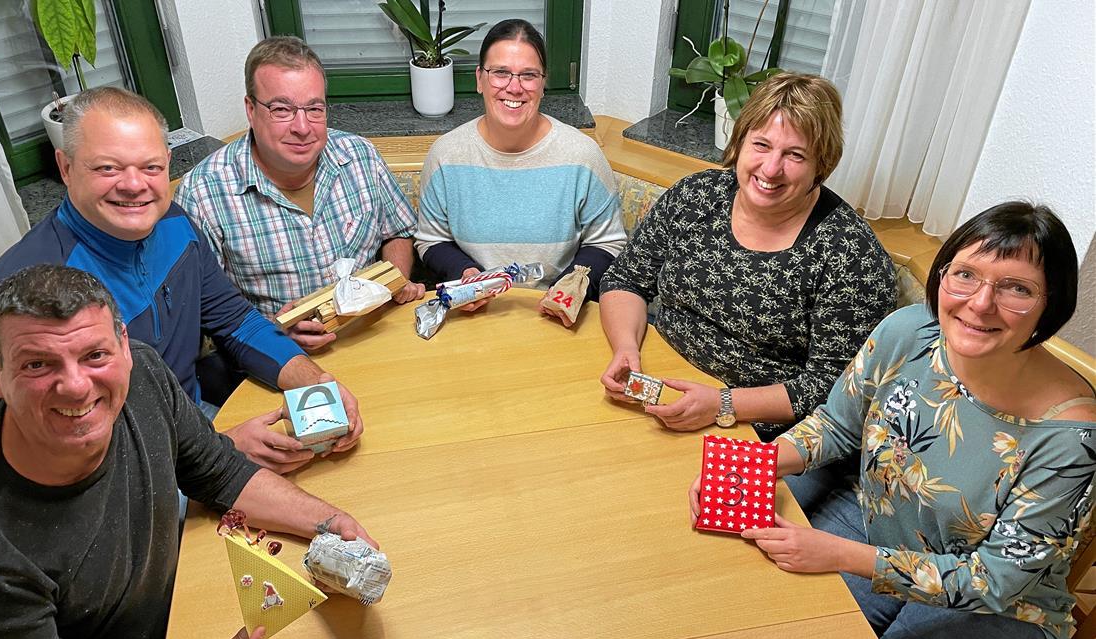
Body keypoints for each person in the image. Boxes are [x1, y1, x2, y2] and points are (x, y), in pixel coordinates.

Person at [689, 203, 1096, 639]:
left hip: (998, 612)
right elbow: (836, 425)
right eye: (966, 274)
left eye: (1016, 288)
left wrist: (834, 553)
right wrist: (751, 464)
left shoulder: (1070, 435)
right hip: (876, 526)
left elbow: (994, 582)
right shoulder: (909, 332)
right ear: (942, 274)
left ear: (1051, 305)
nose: (980, 303)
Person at [0, 265, 377, 639]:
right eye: (36, 365)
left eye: (94, 355)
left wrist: (330, 522)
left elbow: (217, 471)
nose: (74, 386)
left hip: (147, 631)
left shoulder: (145, 376)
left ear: (123, 346)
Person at [0, 86, 361, 474]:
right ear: (66, 167)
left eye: (151, 167)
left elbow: (235, 322)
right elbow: (65, 441)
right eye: (108, 168)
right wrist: (217, 449)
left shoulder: (176, 224)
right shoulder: (23, 289)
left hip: (198, 424)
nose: (133, 184)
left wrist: (315, 383)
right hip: (120, 474)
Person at [599, 73, 897, 440]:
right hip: (660, 374)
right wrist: (626, 348)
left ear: (822, 164)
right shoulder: (697, 196)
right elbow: (627, 279)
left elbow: (834, 387)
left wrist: (723, 404)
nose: (771, 169)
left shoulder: (850, 255)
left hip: (759, 429)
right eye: (761, 145)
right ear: (739, 142)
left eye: (795, 155)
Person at [175, 36, 424, 353]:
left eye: (314, 108)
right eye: (282, 109)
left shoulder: (360, 155)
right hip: (277, 358)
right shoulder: (203, 194)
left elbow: (398, 232)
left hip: (375, 334)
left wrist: (392, 284)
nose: (303, 126)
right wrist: (269, 333)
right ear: (251, 110)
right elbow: (204, 309)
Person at [415, 19, 627, 326]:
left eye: (528, 75)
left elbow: (608, 243)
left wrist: (567, 290)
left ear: (542, 84)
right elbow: (430, 239)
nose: (514, 87)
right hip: (473, 315)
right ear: (479, 79)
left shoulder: (582, 155)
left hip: (556, 318)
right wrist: (465, 274)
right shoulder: (446, 154)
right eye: (500, 72)